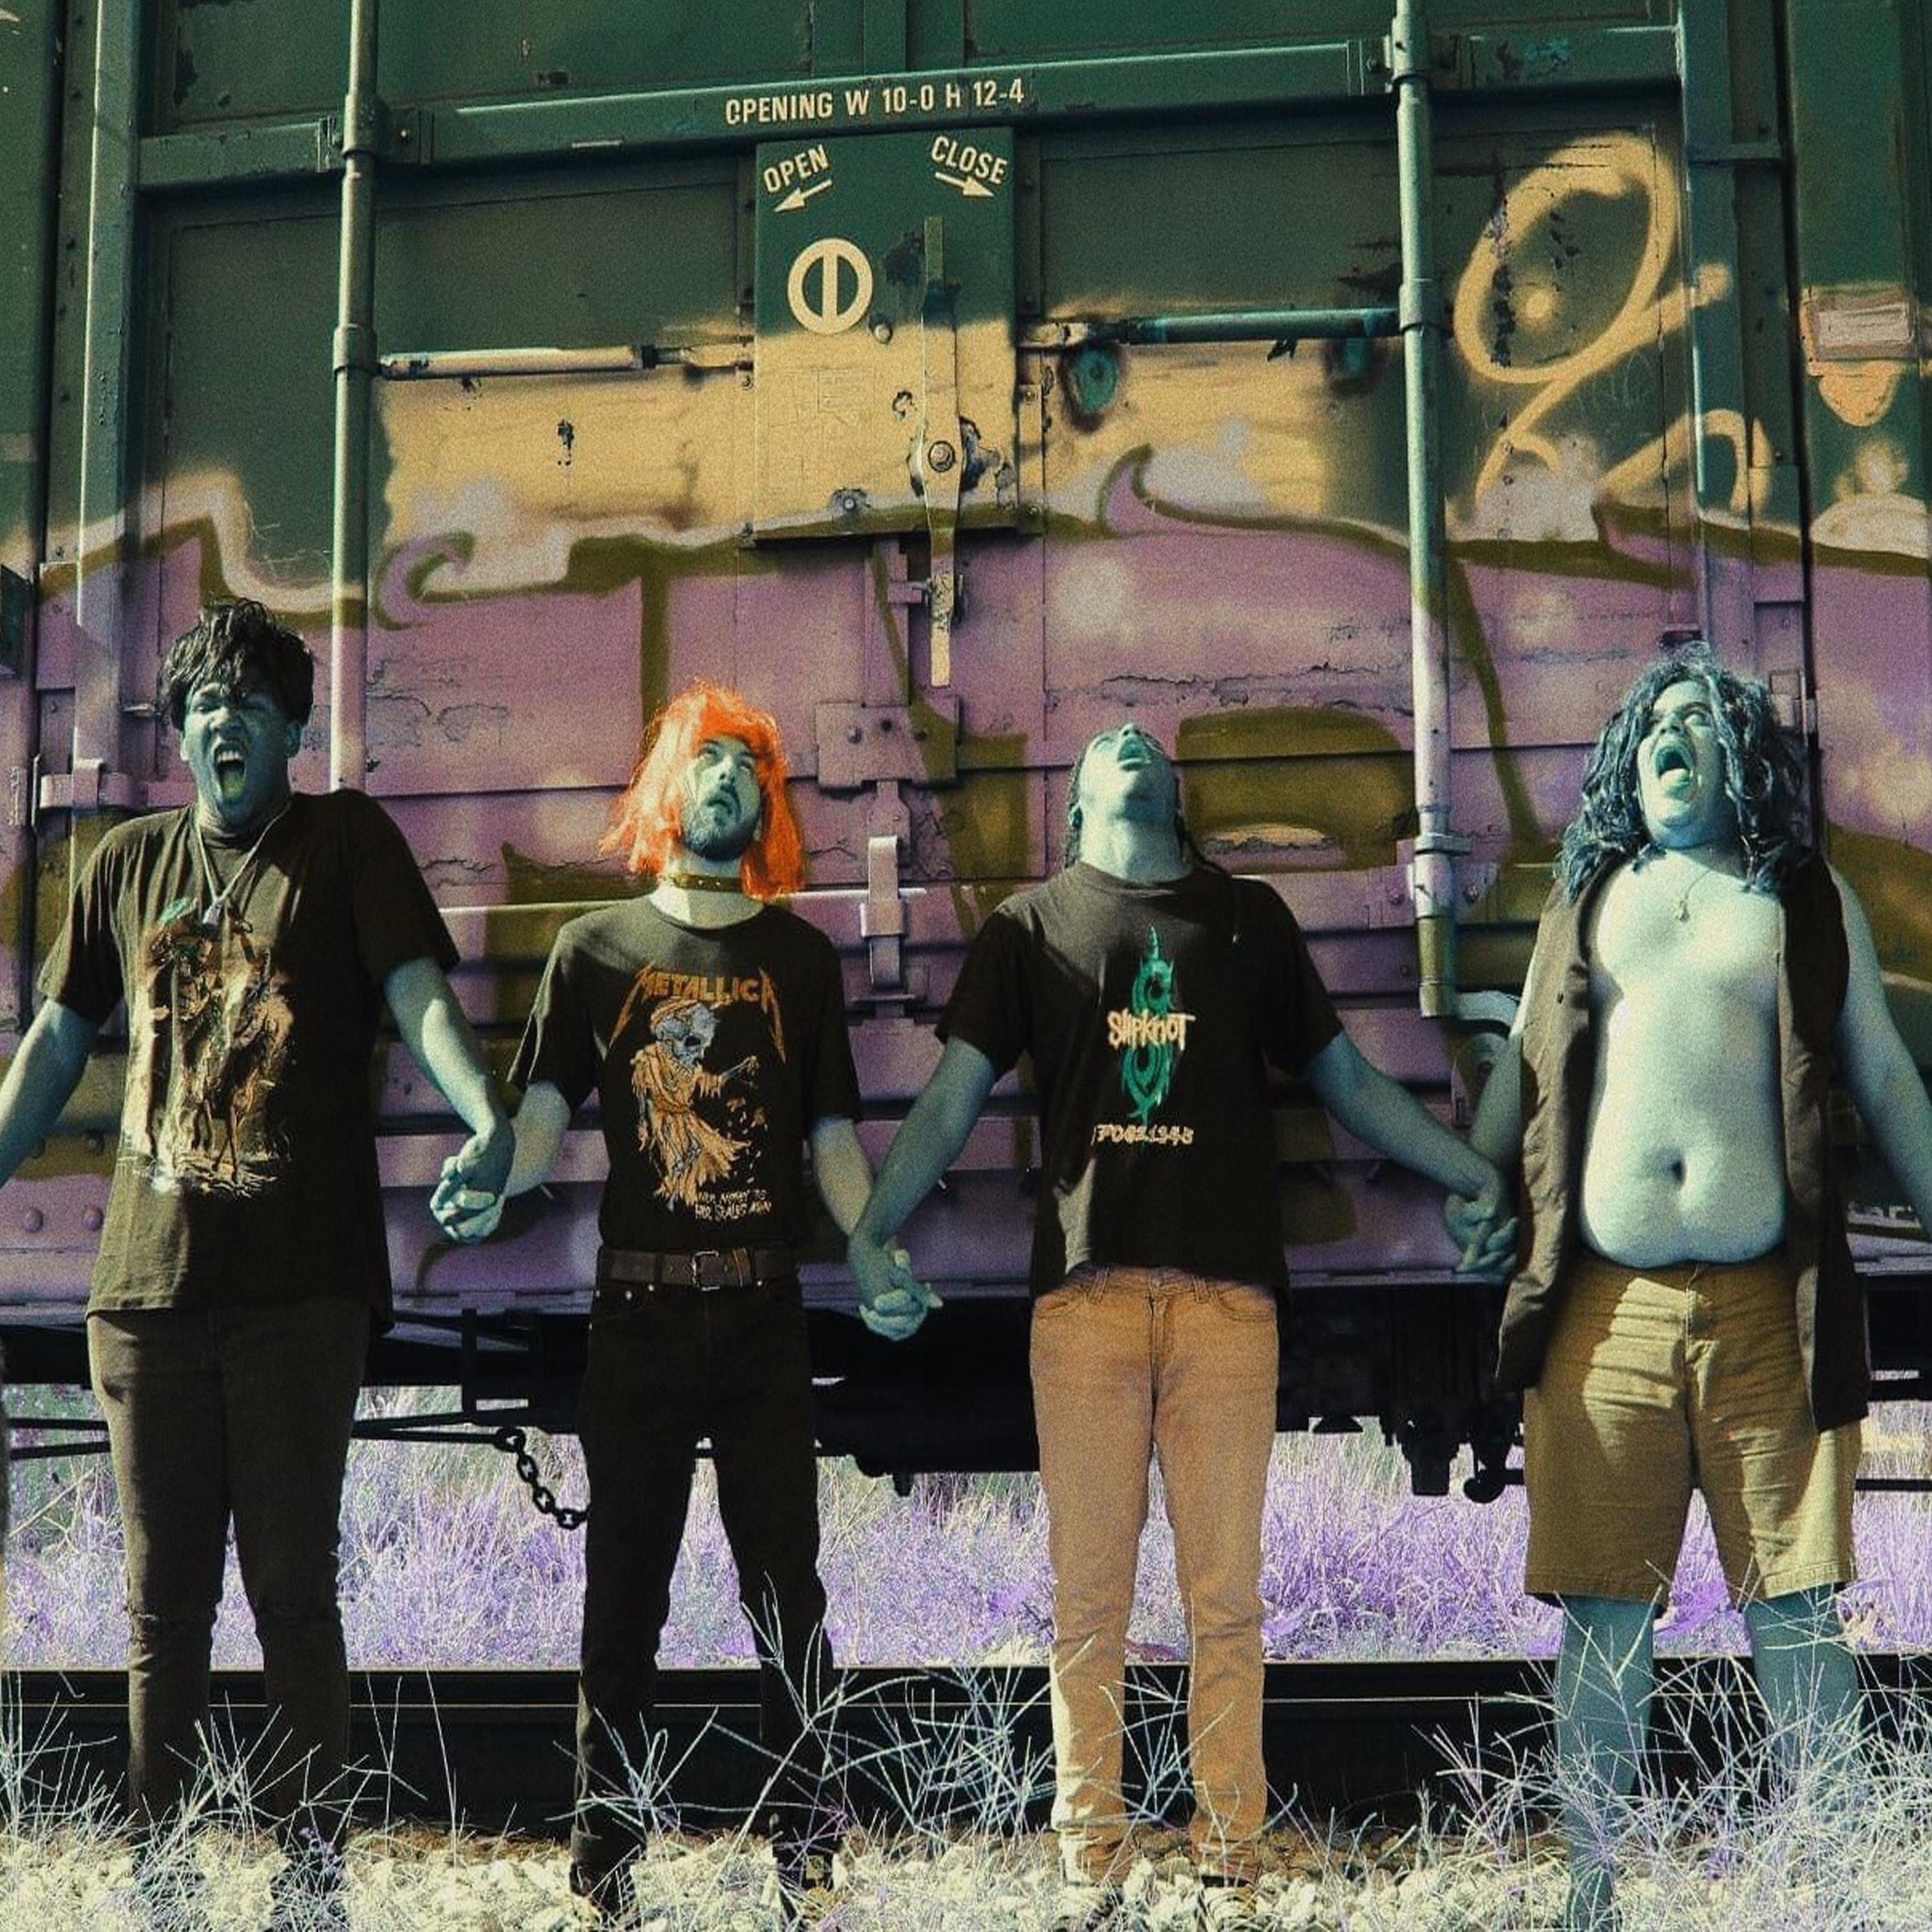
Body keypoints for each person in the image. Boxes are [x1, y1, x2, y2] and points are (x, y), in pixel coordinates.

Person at [846, 721, 1510, 1931]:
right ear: (1076, 808)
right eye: (1107, 742)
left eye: (1146, 739)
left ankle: (1230, 1861)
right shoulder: (1030, 929)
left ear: (1178, 798)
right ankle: (1088, 1863)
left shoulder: (1247, 920)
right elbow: (949, 1101)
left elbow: (1348, 1083)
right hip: (1085, 1304)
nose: (1129, 737)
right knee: (1088, 1600)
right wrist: (870, 1229)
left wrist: (1471, 1171)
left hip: (1226, 1304)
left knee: (1226, 1600)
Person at [0, 600, 511, 1926]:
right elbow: (57, 1041)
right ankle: (161, 1874)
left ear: (291, 729)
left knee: (292, 1592)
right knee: (163, 1608)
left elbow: (416, 997)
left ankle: (311, 1877)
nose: (224, 724)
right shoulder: (127, 863)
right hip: (148, 1296)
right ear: (180, 735)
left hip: (299, 1294)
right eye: (204, 707)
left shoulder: (343, 844)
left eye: (250, 706)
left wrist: (487, 1115)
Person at [435, 682, 932, 1927]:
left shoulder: (798, 959)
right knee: (624, 1598)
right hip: (641, 1317)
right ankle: (604, 1871)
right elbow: (541, 1128)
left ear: (768, 800)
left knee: (789, 1597)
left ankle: (806, 1863)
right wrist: (490, 1181)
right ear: (668, 787)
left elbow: (829, 1138)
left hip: (763, 1312)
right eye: (707, 759)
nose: (730, 779)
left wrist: (873, 1252)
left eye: (750, 765)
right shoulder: (595, 950)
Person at [1459, 640, 1932, 1929]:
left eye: (1705, 722)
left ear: (1742, 762)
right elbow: (1523, 1071)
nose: (1678, 736)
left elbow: (1886, 1076)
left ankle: (1838, 1884)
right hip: (1605, 1309)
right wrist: (1472, 1180)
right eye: (1659, 722)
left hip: (1772, 1308)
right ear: (1632, 760)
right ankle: (1593, 1892)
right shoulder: (1590, 898)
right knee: (1603, 1611)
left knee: (1798, 1604)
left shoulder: (1801, 898)